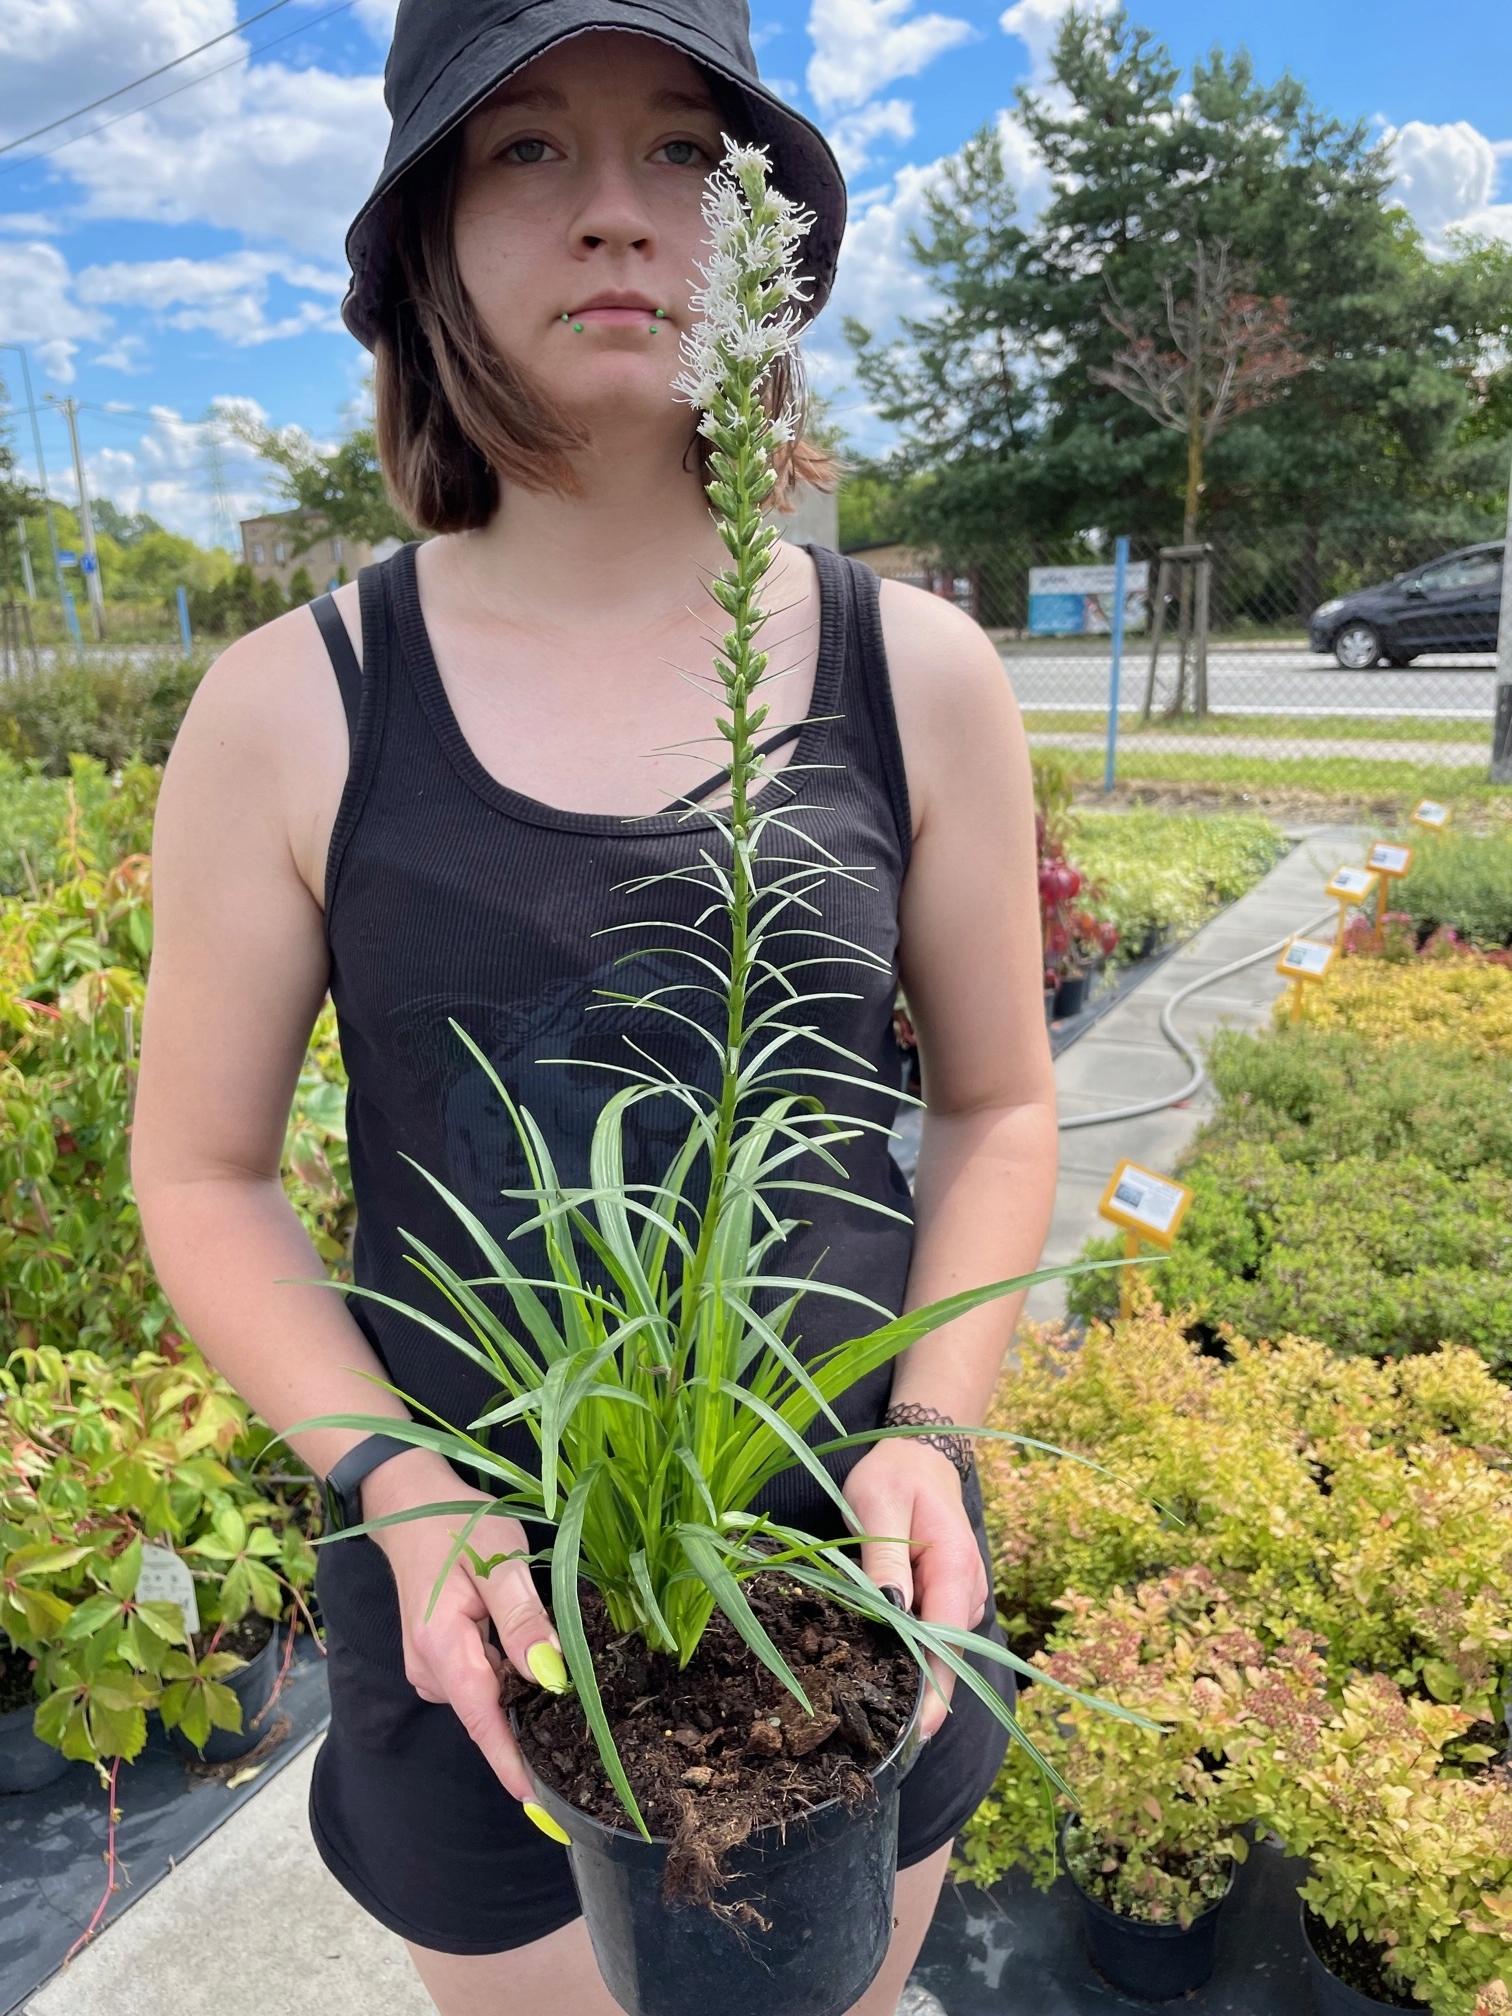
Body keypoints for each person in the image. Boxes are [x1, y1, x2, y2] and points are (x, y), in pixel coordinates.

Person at [131, 0, 1056, 2009]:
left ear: (764, 243)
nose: (619, 212)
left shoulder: (920, 673)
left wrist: (935, 1436)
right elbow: (202, 1173)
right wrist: (401, 1492)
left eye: (685, 153)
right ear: (426, 238)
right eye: (529, 147)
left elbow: (996, 1105)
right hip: (482, 1610)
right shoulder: (290, 706)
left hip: (850, 1570)